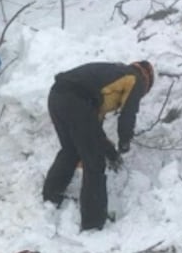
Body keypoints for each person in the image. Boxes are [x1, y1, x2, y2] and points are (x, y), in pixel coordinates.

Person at [42, 60, 154, 231]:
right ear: (147, 81)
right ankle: (93, 222)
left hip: (57, 96)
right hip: (75, 101)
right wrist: (124, 142)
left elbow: (95, 133)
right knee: (94, 162)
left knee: (71, 150)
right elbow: (128, 116)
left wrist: (111, 153)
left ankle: (51, 196)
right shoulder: (135, 79)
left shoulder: (107, 79)